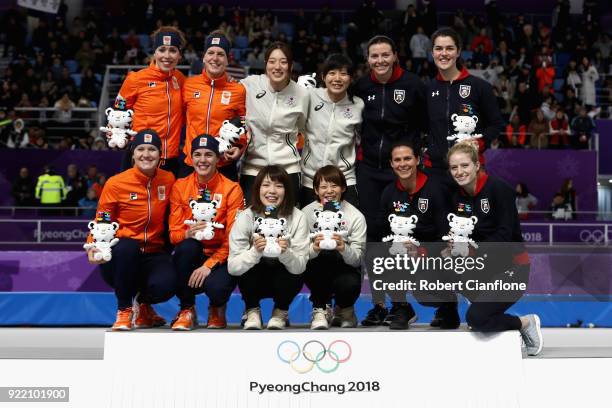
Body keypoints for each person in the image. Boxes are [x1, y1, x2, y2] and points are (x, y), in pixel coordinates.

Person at [446, 141, 542, 355]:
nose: (459, 172)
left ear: (477, 165)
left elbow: (505, 237)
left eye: (464, 165)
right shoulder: (457, 196)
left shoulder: (499, 189)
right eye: (454, 167)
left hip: (513, 269)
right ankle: (482, 301)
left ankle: (525, 323)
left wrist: (472, 247)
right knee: (440, 270)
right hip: (483, 267)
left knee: (477, 319)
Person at [85, 130, 176, 331]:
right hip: (120, 258)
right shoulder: (116, 183)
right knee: (127, 247)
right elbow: (102, 219)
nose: (146, 154)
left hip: (153, 254)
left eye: (152, 149)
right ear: (133, 154)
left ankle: (143, 306)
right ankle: (124, 310)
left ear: (160, 155)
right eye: (141, 149)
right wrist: (92, 245)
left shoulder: (168, 179)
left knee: (168, 284)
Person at [362, 140, 455, 329]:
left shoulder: (435, 189)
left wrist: (421, 251)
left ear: (417, 160)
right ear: (391, 163)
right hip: (402, 253)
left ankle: (447, 304)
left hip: (432, 256)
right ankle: (401, 307)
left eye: (407, 158)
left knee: (425, 294)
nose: (402, 164)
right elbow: (381, 230)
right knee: (375, 253)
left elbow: (445, 236)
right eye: (397, 160)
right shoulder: (389, 192)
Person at [353, 35, 427, 240]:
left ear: (394, 56)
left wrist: (416, 152)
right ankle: (374, 271)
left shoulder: (413, 84)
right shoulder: (362, 86)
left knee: (400, 225)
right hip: (368, 168)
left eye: (385, 55)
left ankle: (402, 270)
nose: (380, 60)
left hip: (400, 169)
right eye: (374, 56)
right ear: (368, 59)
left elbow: (426, 124)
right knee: (371, 225)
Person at [169, 134, 245, 330]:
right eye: (197, 154)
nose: (202, 160)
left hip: (221, 256)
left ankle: (217, 308)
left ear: (218, 158)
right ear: (191, 158)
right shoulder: (180, 186)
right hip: (194, 254)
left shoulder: (232, 189)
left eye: (208, 154)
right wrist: (187, 234)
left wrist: (209, 265)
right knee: (186, 248)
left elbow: (233, 238)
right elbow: (173, 234)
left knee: (217, 288)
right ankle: (187, 309)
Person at [228, 165, 309, 330]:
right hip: (256, 276)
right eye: (266, 185)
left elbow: (300, 266)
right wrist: (255, 251)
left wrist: (286, 252)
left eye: (279, 186)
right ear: (257, 189)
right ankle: (252, 310)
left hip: (283, 276)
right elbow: (233, 268)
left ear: (287, 190)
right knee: (245, 265)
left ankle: (281, 311)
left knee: (296, 267)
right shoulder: (246, 216)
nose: (272, 191)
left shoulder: (298, 217)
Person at [425, 28, 502, 182]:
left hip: (469, 169)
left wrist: (480, 143)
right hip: (434, 171)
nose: (444, 53)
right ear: (432, 53)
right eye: (438, 48)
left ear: (458, 52)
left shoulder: (480, 87)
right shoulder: (426, 89)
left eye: (450, 48)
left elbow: (496, 124)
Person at [239, 42, 309, 205]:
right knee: (252, 223)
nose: (277, 67)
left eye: (283, 62)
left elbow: (305, 129)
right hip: (253, 167)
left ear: (291, 66)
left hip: (288, 169)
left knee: (286, 223)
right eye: (272, 61)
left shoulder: (302, 94)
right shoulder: (250, 85)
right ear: (265, 65)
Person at [112, 26, 187, 176]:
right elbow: (118, 110)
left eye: (172, 50)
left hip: (170, 159)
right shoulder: (136, 79)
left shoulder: (181, 80)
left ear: (179, 55)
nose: (167, 55)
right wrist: (118, 134)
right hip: (141, 158)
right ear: (154, 52)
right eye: (162, 49)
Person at [301, 165, 366, 329]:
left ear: (343, 188)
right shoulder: (306, 213)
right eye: (323, 186)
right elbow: (299, 253)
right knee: (312, 261)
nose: (329, 191)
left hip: (345, 268)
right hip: (317, 267)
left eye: (334, 185)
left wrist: (344, 247)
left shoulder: (355, 216)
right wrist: (314, 248)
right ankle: (320, 308)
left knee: (350, 282)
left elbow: (358, 258)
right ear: (316, 190)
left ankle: (345, 309)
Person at [299, 54, 364, 208]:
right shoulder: (310, 96)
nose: (337, 78)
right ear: (323, 76)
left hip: (344, 179)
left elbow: (363, 138)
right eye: (332, 73)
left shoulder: (358, 104)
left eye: (343, 73)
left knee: (344, 227)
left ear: (351, 78)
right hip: (311, 179)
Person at [181, 32, 246, 180]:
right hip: (192, 163)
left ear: (227, 60)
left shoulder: (238, 90)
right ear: (204, 57)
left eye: (220, 54)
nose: (215, 58)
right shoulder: (188, 85)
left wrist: (240, 147)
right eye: (210, 53)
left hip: (223, 164)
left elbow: (243, 122)